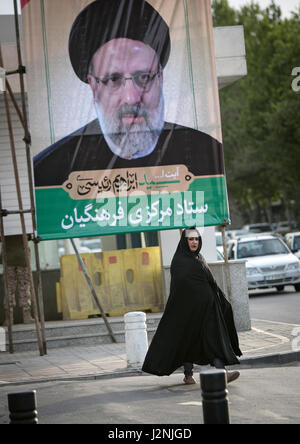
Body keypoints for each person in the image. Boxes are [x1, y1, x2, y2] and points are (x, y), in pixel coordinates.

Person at [33, 0, 224, 187]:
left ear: (160, 78)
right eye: (113, 80)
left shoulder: (206, 153)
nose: (131, 98)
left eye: (143, 77)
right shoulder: (49, 171)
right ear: (93, 86)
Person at [142, 228, 242, 384]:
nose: (194, 242)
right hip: (187, 312)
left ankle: (222, 372)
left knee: (212, 339)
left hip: (207, 311)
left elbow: (209, 282)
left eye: (196, 239)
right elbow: (180, 289)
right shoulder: (180, 261)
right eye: (191, 239)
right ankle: (189, 375)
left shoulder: (198, 258)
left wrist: (218, 299)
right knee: (188, 341)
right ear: (184, 241)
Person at [0, 235, 33, 326]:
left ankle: (9, 318)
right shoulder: (25, 222)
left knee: (9, 289)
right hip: (22, 257)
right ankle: (26, 316)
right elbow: (30, 236)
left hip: (9, 257)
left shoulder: (4, 223)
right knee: (24, 287)